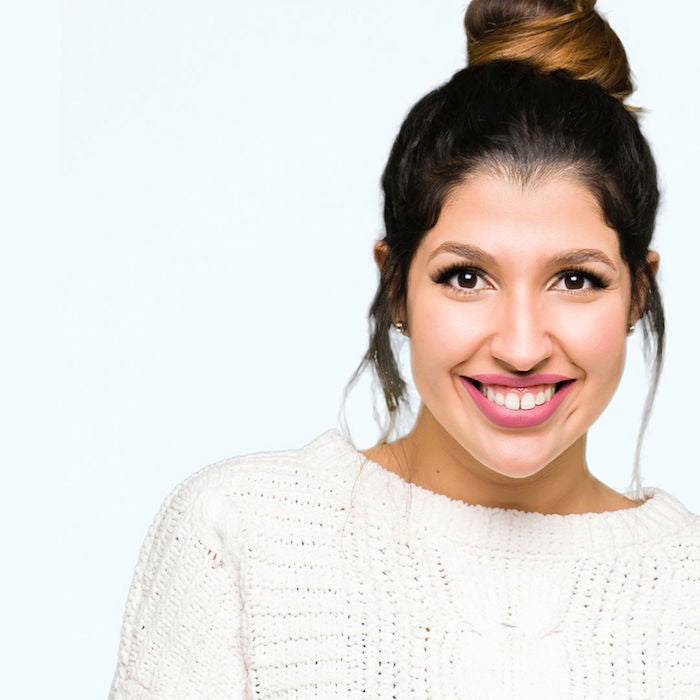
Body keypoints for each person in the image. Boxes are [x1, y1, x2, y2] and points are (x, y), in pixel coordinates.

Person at [109, 1, 700, 697]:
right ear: (396, 286)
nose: (519, 345)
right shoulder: (240, 539)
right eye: (466, 277)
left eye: (575, 279)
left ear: (637, 293)